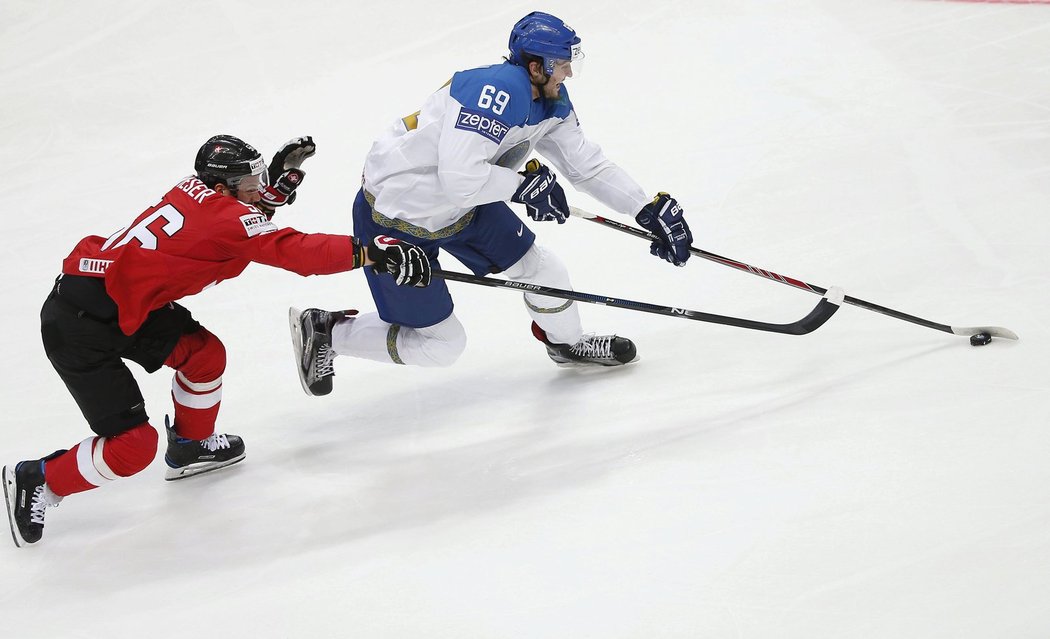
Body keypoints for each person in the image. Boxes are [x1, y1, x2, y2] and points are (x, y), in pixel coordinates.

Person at [2, 134, 431, 547]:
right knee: (132, 449)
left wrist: (274, 190)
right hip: (81, 326)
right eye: (251, 184)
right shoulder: (227, 219)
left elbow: (239, 220)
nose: (258, 189)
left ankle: (191, 447)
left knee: (204, 356)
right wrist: (372, 252)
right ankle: (39, 478)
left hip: (121, 300)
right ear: (224, 186)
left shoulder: (198, 191)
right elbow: (293, 250)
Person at [290, 11, 692, 397]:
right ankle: (328, 331)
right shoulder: (497, 90)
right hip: (397, 219)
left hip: (463, 205)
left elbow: (584, 166)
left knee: (542, 268)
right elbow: (460, 177)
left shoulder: (549, 99)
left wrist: (645, 208)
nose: (568, 73)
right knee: (441, 345)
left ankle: (567, 344)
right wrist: (521, 186)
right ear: (535, 66)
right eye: (561, 64)